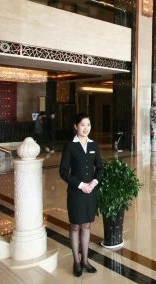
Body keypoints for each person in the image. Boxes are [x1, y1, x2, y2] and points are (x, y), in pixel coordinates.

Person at [59, 113, 103, 277]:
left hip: (90, 192)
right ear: (76, 126)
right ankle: (76, 262)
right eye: (83, 125)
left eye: (88, 125)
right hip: (76, 192)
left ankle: (85, 260)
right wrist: (81, 185)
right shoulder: (70, 146)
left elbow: (100, 168)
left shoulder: (93, 145)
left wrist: (93, 183)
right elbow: (63, 171)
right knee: (75, 226)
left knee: (86, 226)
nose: (86, 128)